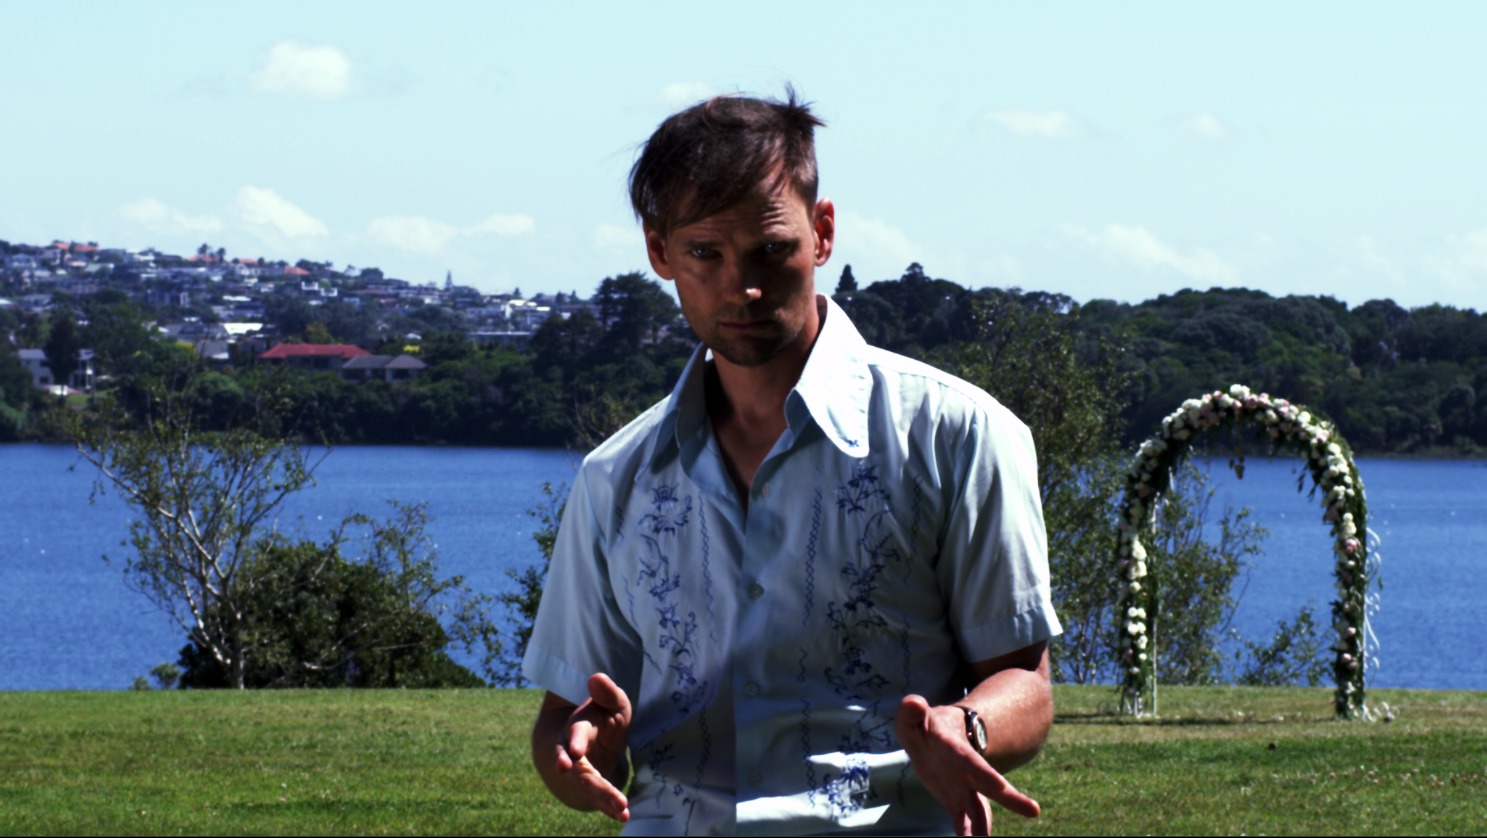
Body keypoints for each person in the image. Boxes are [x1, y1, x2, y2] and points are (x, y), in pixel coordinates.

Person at [523, 89, 1061, 836]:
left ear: (822, 231)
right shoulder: (615, 477)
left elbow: (1024, 682)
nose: (741, 287)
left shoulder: (955, 434)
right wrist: (577, 759)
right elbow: (562, 720)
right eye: (704, 254)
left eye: (770, 249)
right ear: (659, 252)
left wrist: (964, 727)